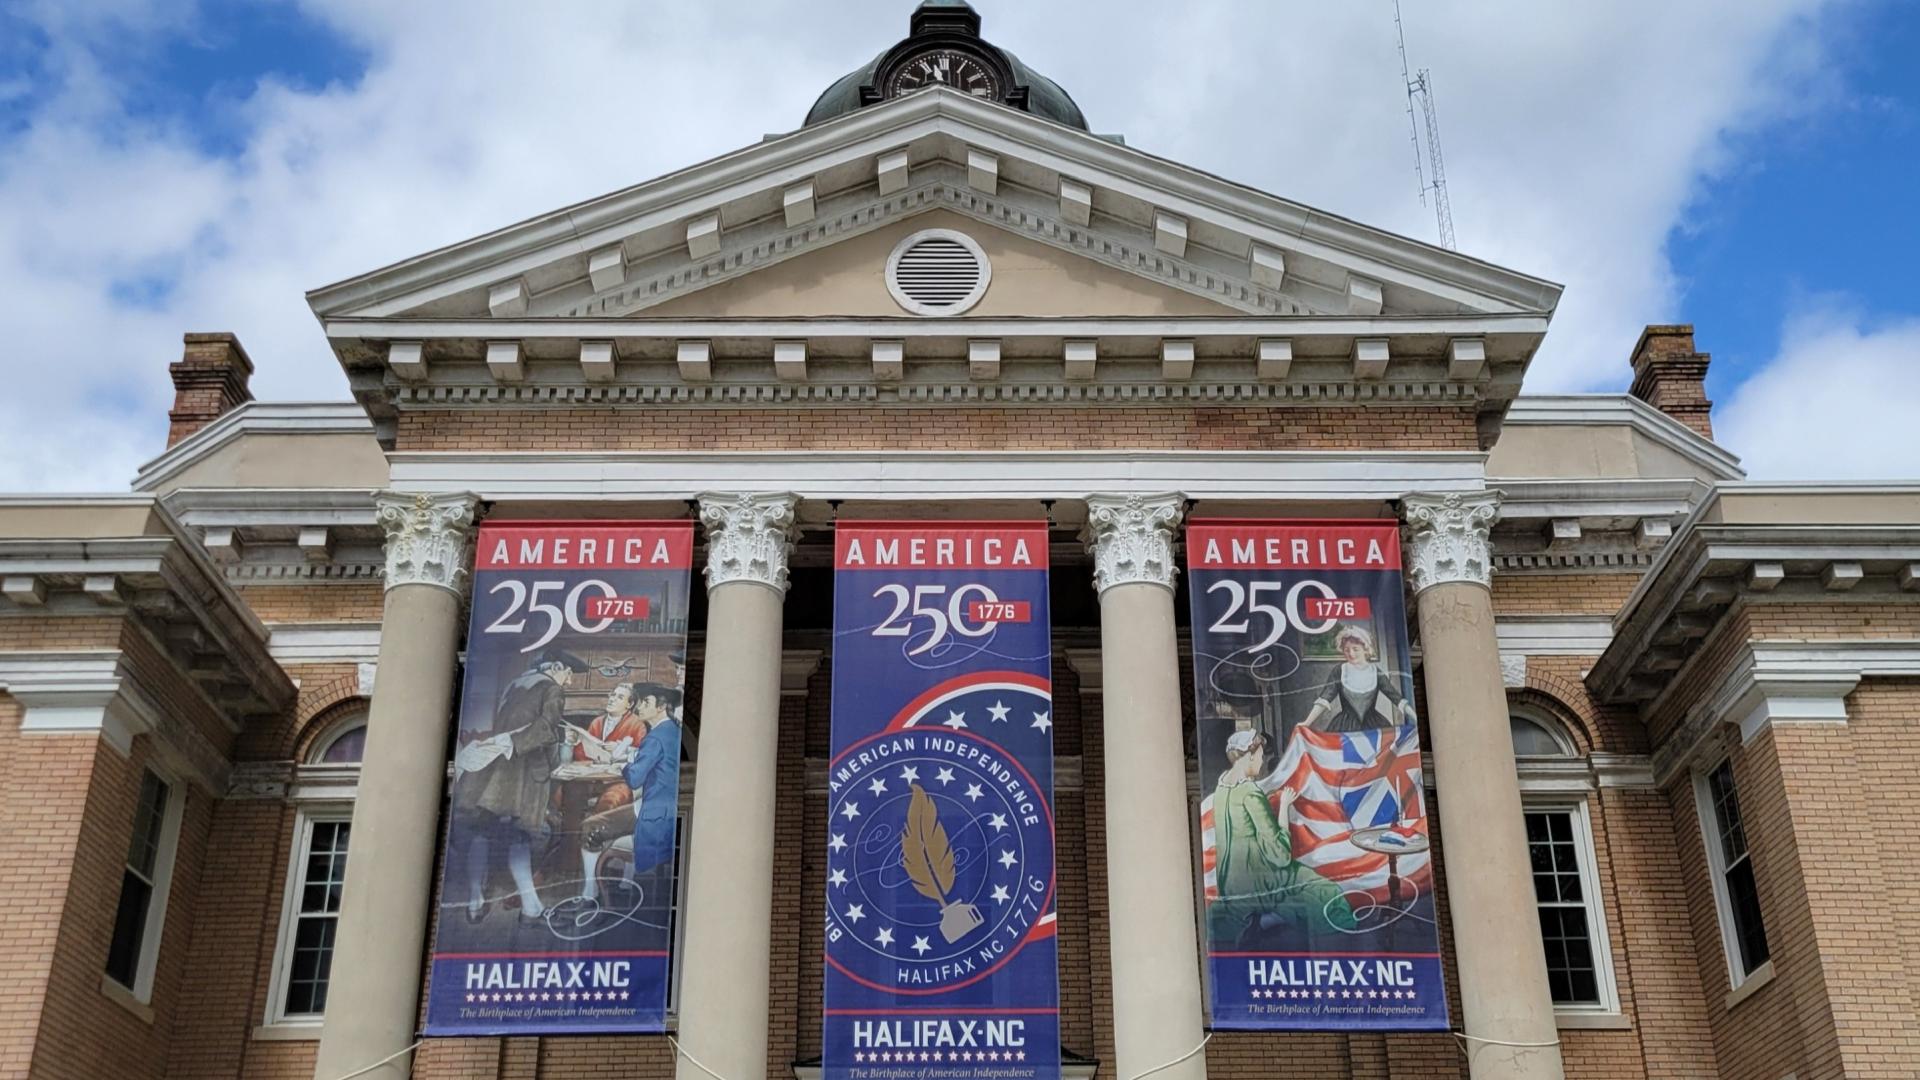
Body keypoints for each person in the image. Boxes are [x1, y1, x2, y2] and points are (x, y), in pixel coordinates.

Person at [452, 648, 588, 924]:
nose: (570, 681)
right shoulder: (552, 689)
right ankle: (531, 908)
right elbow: (546, 728)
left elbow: (510, 724)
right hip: (522, 774)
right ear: (557, 667)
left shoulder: (515, 685)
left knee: (482, 833)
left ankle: (476, 901)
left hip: (491, 774)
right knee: (520, 837)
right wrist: (560, 740)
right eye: (569, 673)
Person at [1209, 730, 1355, 944]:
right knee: (1327, 891)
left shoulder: (1222, 789)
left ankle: (1265, 919)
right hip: (1258, 879)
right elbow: (1280, 854)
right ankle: (1267, 919)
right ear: (1249, 756)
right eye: (1260, 756)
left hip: (1230, 882)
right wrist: (1284, 806)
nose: (1261, 762)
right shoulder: (1250, 792)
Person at [578, 684, 683, 900]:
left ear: (661, 706)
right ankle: (625, 886)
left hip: (655, 814)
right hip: (669, 807)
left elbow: (634, 779)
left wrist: (622, 764)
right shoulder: (672, 731)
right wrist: (635, 756)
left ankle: (591, 894)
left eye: (646, 702)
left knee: (590, 826)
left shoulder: (655, 737)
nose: (639, 707)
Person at [1300, 624, 1417, 733]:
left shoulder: (1375, 672)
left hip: (1374, 726)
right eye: (1347, 650)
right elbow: (1325, 698)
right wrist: (1307, 723)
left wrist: (1415, 719)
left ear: (1365, 649)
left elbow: (1396, 698)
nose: (1351, 654)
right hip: (1344, 727)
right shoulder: (1339, 671)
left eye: (1355, 649)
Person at [575, 683, 648, 813]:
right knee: (564, 795)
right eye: (612, 695)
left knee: (609, 802)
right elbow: (581, 755)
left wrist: (620, 749)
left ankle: (594, 831)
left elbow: (642, 759)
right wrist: (574, 742)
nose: (612, 699)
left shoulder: (637, 724)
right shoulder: (597, 722)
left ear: (629, 704)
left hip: (620, 781)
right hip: (592, 779)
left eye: (619, 697)